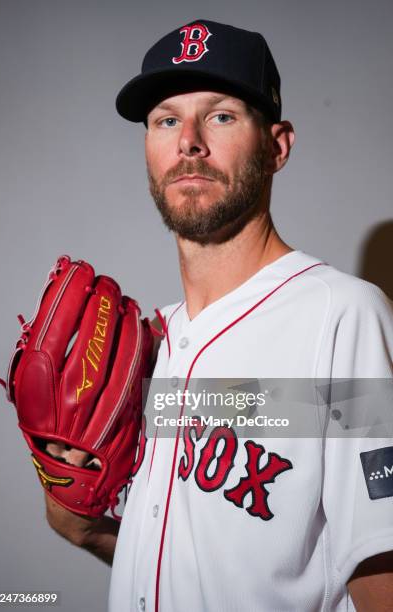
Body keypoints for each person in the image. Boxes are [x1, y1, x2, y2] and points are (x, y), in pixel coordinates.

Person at [45, 19, 393, 612]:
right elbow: (193, 564)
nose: (189, 142)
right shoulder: (146, 344)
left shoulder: (343, 317)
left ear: (277, 146)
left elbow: (382, 579)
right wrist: (79, 522)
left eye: (222, 115)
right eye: (166, 119)